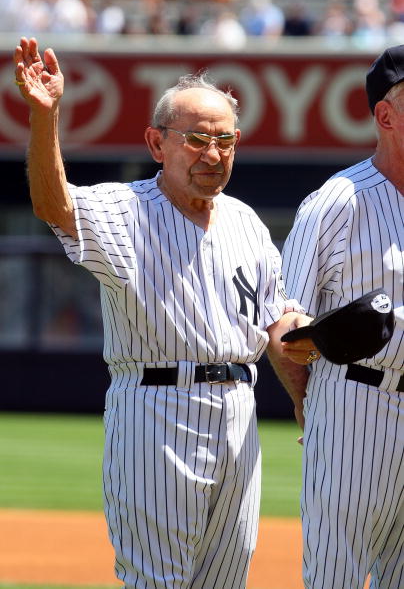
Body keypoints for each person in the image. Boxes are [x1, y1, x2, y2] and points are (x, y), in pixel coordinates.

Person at [13, 36, 317, 589]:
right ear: (157, 143)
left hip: (238, 413)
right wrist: (45, 116)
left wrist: (306, 398)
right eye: (196, 139)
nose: (213, 153)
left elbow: (277, 324)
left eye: (224, 140)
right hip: (158, 411)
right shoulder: (125, 209)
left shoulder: (247, 222)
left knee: (226, 580)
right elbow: (53, 204)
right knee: (157, 581)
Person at [269, 44, 404, 588]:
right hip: (356, 403)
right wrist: (309, 404)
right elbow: (285, 321)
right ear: (386, 115)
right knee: (336, 576)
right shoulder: (339, 201)